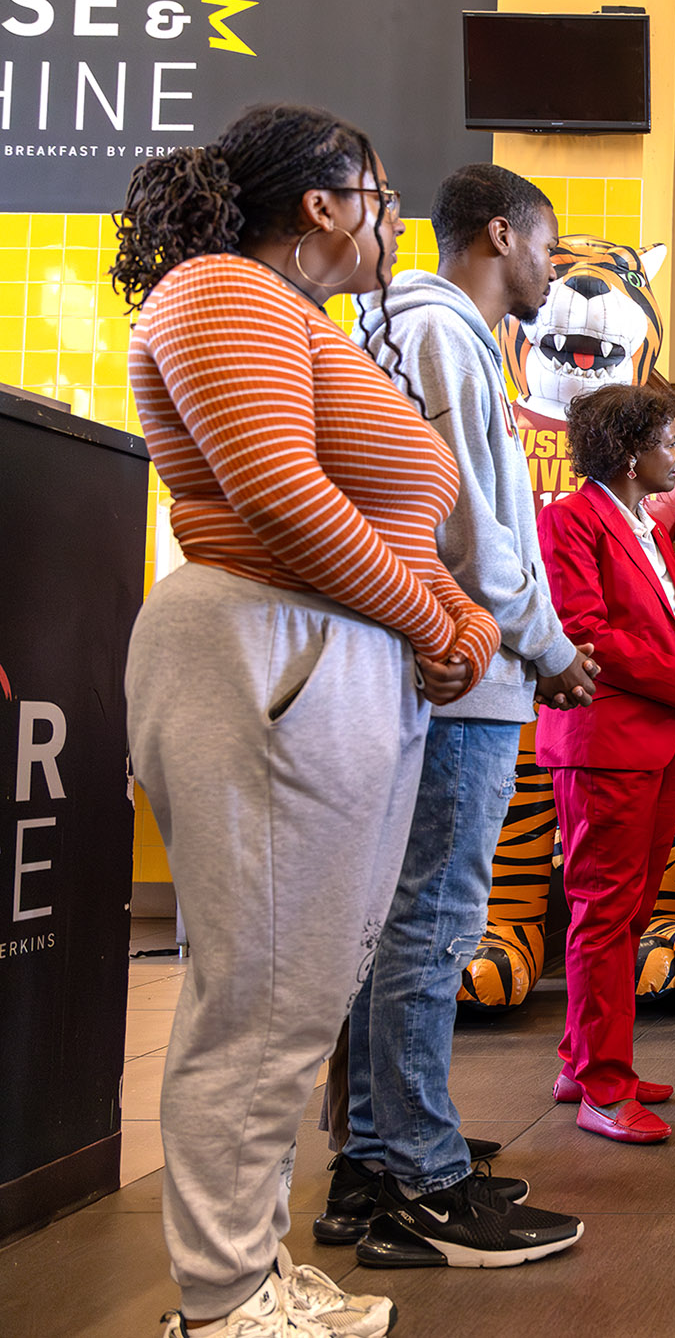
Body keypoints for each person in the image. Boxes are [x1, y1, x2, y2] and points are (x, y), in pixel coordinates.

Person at [116, 103, 502, 1338]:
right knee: (261, 1001)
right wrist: (434, 621)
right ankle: (222, 1304)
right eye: (379, 196)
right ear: (324, 204)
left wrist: (452, 617)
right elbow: (279, 495)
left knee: (303, 998)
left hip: (327, 649)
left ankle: (251, 1269)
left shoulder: (302, 320)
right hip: (263, 646)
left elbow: (385, 515)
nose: (390, 221)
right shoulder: (222, 292)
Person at [321, 165, 593, 1265]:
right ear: (500, 233)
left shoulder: (434, 332)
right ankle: (419, 1178)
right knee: (435, 923)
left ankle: (380, 1154)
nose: (552, 267)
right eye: (547, 244)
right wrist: (551, 647)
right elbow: (474, 529)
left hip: (443, 661)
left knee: (401, 924)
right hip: (462, 669)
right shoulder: (438, 329)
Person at [535, 382, 675, 1145]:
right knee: (601, 911)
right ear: (629, 454)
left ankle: (580, 1062)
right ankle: (604, 1088)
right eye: (666, 440)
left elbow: (673, 628)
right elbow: (587, 633)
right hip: (604, 748)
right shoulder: (569, 521)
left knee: (625, 910)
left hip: (655, 740)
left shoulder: (646, 527)